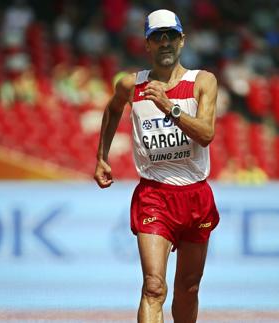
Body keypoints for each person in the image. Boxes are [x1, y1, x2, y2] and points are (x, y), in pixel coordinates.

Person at [94, 9, 219, 323]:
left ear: (182, 41)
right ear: (146, 44)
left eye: (171, 36)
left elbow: (206, 135)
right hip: (155, 195)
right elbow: (111, 111)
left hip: (195, 197)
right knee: (153, 286)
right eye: (157, 37)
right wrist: (101, 156)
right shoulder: (131, 86)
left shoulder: (202, 81)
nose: (165, 43)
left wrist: (170, 107)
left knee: (188, 287)